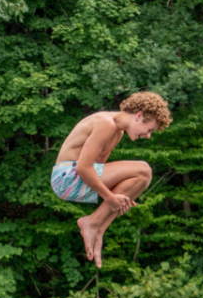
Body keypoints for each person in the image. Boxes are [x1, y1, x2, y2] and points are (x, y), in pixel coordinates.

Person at [53, 91, 172, 268]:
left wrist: (125, 191)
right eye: (150, 130)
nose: (148, 136)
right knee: (144, 170)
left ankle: (99, 228)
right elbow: (83, 168)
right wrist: (110, 197)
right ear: (138, 116)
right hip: (65, 178)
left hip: (72, 181)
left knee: (141, 178)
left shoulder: (117, 133)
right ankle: (92, 222)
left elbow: (97, 169)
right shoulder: (105, 123)